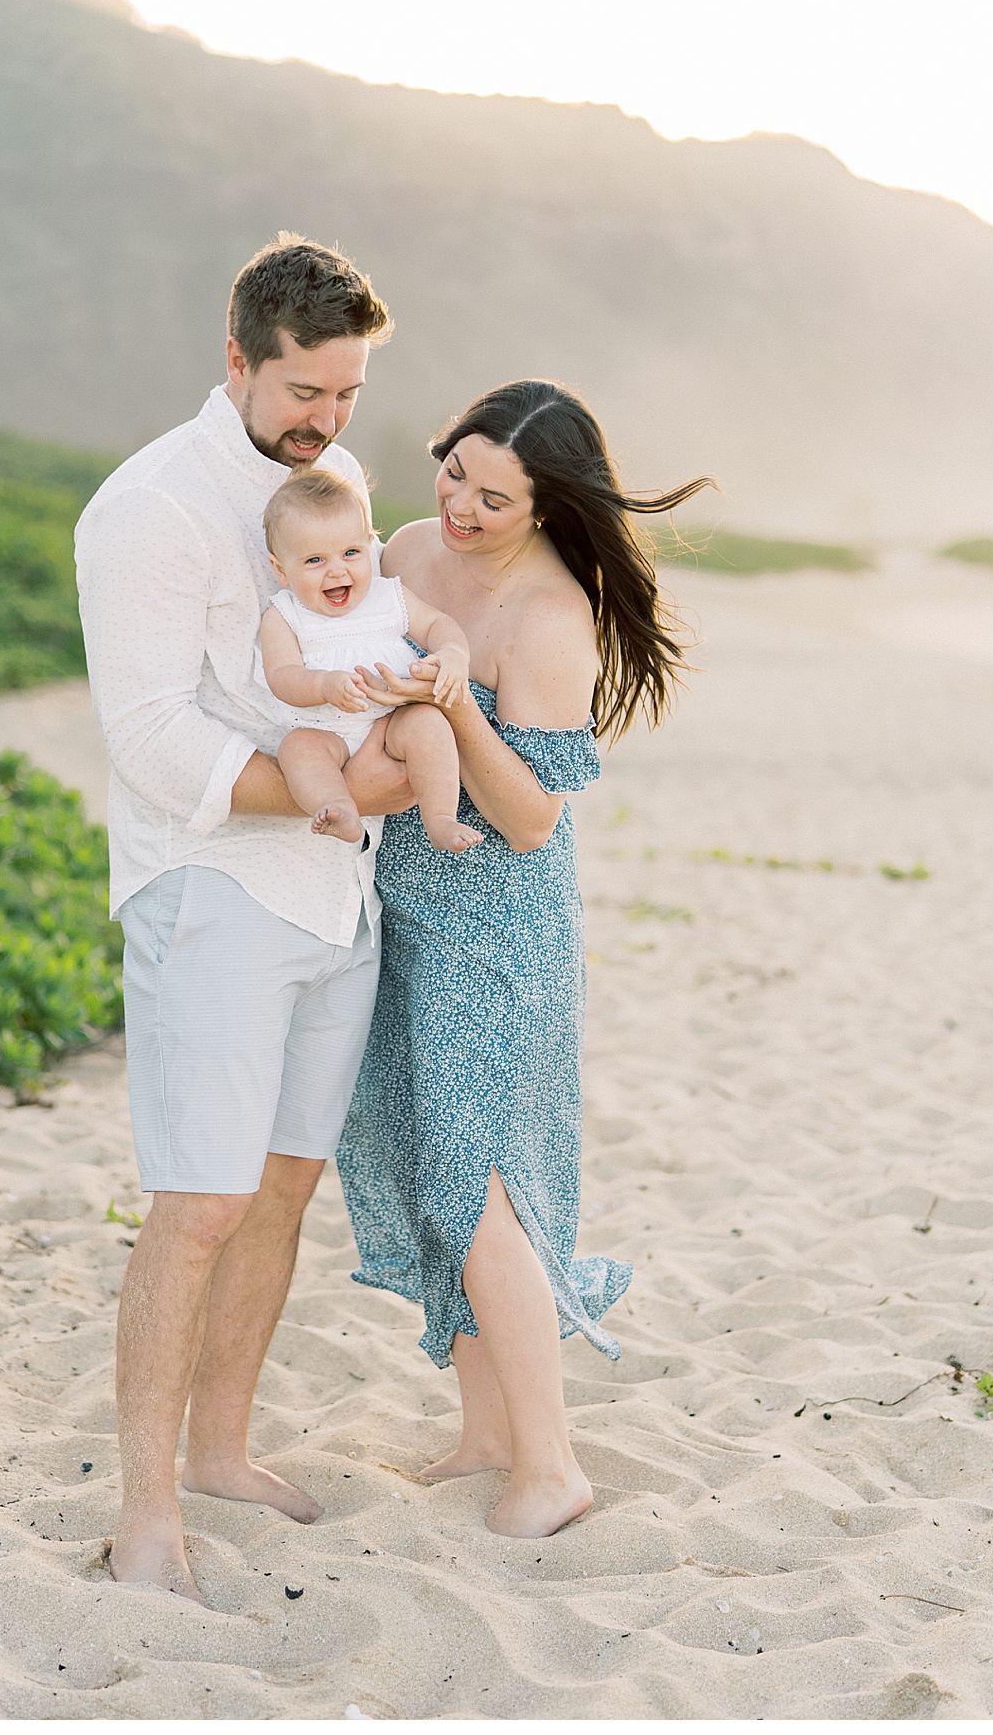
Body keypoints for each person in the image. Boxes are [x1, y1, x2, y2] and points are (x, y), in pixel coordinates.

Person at [74, 234, 409, 1603]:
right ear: (236, 361)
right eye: (301, 391)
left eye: (345, 393)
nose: (324, 419)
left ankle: (220, 1447)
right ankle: (145, 1505)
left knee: (282, 1183)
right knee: (200, 1196)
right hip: (211, 885)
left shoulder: (332, 485)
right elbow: (151, 736)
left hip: (336, 891)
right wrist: (335, 791)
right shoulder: (145, 506)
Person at [336, 380, 712, 1538]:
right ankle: (486, 1432)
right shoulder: (401, 548)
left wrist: (454, 710)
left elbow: (536, 815)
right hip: (399, 893)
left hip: (500, 922)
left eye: (493, 499)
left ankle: (550, 1463)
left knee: (482, 1175)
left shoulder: (551, 617)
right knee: (418, 1154)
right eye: (454, 472)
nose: (458, 506)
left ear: (547, 508)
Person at [258, 468, 482, 854]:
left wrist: (453, 654)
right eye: (314, 560)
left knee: (428, 723)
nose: (337, 570)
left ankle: (441, 816)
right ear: (281, 570)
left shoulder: (387, 596)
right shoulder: (284, 615)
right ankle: (340, 806)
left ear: (369, 545)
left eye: (351, 552)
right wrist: (324, 685)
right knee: (298, 749)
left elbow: (438, 625)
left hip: (393, 720)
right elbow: (282, 676)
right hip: (325, 730)